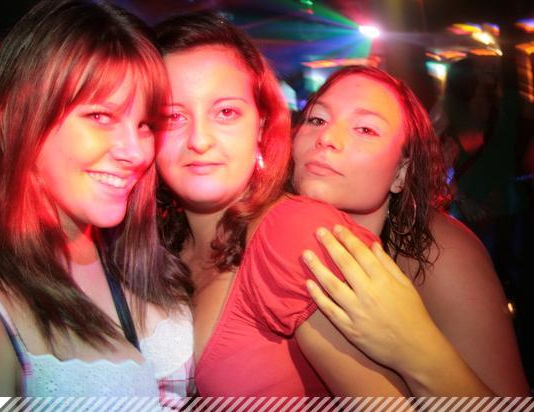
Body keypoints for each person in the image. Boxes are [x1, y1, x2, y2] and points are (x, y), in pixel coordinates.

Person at [0, 0, 193, 398]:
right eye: (100, 116)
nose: (135, 152)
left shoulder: (129, 251)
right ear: (17, 120)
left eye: (145, 124)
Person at [154, 13, 418, 396]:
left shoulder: (295, 234)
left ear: (260, 124)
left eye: (226, 112)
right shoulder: (158, 245)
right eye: (173, 116)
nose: (199, 139)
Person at [292, 65, 530, 395]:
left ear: (401, 173)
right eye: (317, 119)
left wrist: (413, 345)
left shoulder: (440, 253)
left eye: (365, 129)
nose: (326, 138)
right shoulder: (269, 235)